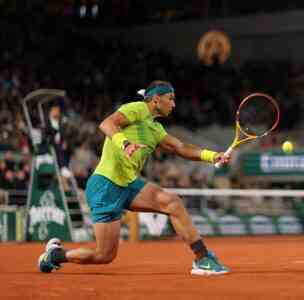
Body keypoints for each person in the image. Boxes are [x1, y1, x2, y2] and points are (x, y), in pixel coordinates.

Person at [38, 80, 231, 275]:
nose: (174, 104)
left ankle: (202, 257)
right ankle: (54, 256)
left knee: (172, 203)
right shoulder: (137, 108)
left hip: (129, 184)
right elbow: (107, 124)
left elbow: (180, 148)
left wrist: (212, 155)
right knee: (104, 255)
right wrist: (125, 143)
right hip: (105, 186)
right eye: (170, 99)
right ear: (156, 100)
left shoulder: (155, 129)